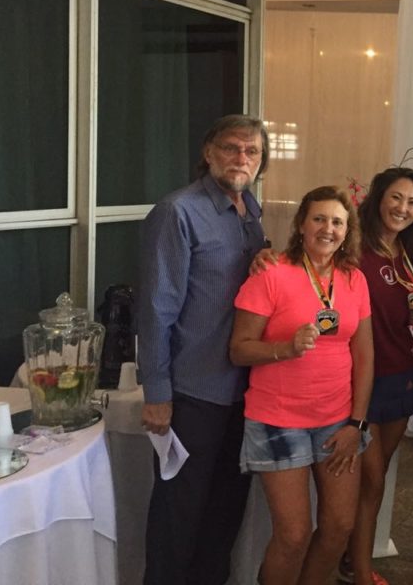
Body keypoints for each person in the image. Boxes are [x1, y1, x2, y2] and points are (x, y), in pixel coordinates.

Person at [138, 114, 269, 585]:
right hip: (192, 393)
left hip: (243, 394)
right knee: (178, 518)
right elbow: (156, 309)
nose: (241, 158)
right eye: (231, 148)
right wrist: (157, 392)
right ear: (209, 153)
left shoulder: (251, 214)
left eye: (252, 151)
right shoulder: (178, 212)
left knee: (224, 515)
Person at [229, 186, 374, 585]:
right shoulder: (271, 273)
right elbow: (239, 350)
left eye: (337, 222)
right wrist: (285, 349)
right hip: (278, 420)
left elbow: (365, 356)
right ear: (301, 225)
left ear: (348, 230)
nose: (328, 229)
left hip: (338, 420)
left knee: (339, 526)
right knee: (293, 536)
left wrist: (357, 423)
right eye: (319, 219)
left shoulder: (354, 279)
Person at [344, 167, 413, 585]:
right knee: (371, 478)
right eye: (396, 197)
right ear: (379, 197)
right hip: (359, 378)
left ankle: (352, 559)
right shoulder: (352, 247)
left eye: (412, 202)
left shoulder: (409, 253)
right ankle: (361, 571)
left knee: (375, 480)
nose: (403, 208)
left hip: (400, 375)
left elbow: (402, 311)